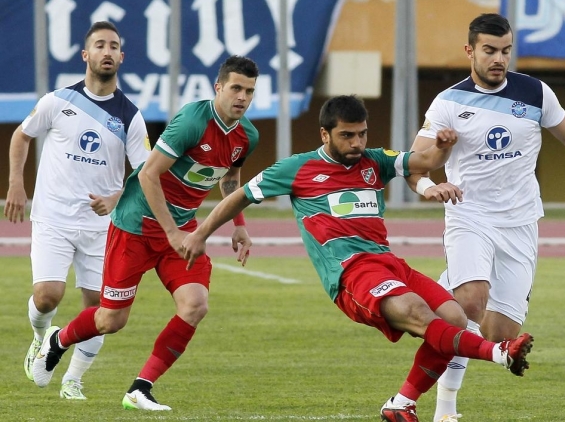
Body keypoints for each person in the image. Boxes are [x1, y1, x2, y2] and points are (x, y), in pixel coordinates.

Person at [179, 95, 534, 421]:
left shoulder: (375, 160)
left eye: (362, 134)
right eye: (347, 136)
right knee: (417, 312)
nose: (356, 143)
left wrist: (442, 147)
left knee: (455, 317)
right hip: (350, 273)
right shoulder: (297, 169)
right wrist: (201, 233)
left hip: (389, 263)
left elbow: (424, 161)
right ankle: (500, 353)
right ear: (325, 134)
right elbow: (239, 195)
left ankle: (401, 404)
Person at [407, 13, 565, 422]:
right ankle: (446, 410)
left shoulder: (535, 93)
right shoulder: (448, 103)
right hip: (470, 216)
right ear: (470, 51)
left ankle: (446, 287)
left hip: (521, 223)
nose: (499, 59)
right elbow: (415, 165)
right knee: (470, 306)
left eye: (506, 51)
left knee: (500, 335)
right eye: (490, 50)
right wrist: (431, 180)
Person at [30, 54, 261, 411]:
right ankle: (58, 340)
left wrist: (240, 226)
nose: (242, 97)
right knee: (111, 320)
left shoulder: (248, 136)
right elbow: (148, 174)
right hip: (136, 226)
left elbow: (231, 179)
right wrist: (171, 232)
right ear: (218, 87)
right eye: (235, 88)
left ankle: (141, 388)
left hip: (181, 231)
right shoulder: (192, 122)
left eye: (249, 91)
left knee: (195, 305)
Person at [3, 21, 150, 400]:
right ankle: (40, 339)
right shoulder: (58, 101)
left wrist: (116, 199)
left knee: (100, 308)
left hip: (102, 226)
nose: (106, 51)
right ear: (86, 55)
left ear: (121, 57)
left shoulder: (130, 116)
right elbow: (21, 135)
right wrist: (16, 183)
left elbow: (146, 174)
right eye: (99, 45)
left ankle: (73, 380)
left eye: (113, 46)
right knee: (47, 296)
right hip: (53, 217)